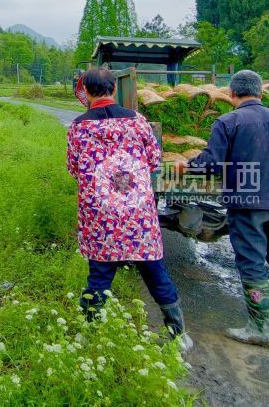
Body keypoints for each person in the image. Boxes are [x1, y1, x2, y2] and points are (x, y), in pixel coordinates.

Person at [177, 70, 269, 348]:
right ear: (261, 93)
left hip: (247, 203)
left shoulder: (228, 122)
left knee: (251, 260)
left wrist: (187, 165)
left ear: (231, 94)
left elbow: (212, 164)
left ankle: (262, 329)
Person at [67, 67, 193, 353]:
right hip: (137, 215)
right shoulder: (138, 122)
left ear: (85, 91)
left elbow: (73, 169)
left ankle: (88, 337)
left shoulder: (78, 127)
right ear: (113, 89)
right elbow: (153, 162)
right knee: (154, 271)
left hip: (100, 216)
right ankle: (178, 335)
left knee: (99, 275)